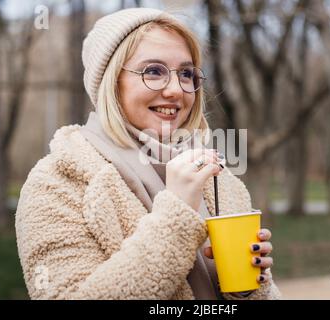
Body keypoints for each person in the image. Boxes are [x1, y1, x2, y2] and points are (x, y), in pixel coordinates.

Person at [15, 7, 281, 300]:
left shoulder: (217, 176)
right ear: (111, 80)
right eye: (153, 71)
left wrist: (248, 289)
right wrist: (176, 214)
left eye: (186, 73)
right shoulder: (56, 181)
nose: (176, 90)